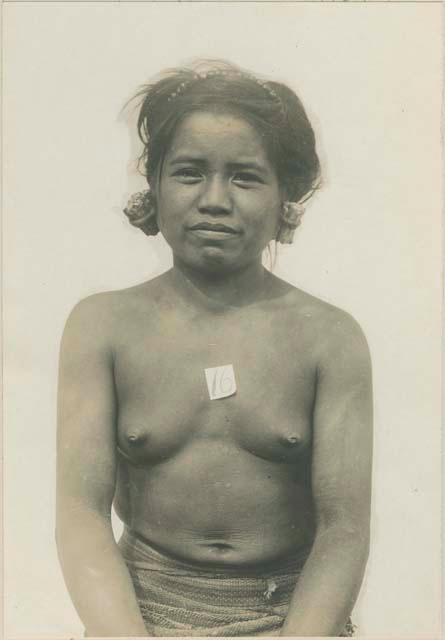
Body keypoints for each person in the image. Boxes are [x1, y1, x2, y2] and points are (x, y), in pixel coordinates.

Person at [56, 60, 373, 637]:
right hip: (138, 617)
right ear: (152, 189)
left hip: (292, 618)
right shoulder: (102, 326)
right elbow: (80, 516)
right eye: (189, 172)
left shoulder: (329, 337)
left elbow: (344, 531)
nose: (214, 200)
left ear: (286, 200)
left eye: (246, 177)